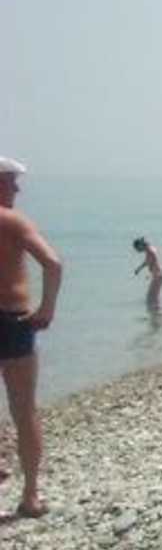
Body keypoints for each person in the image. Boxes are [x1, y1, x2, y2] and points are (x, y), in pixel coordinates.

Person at [0, 157, 62, 519]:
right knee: (24, 410)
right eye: (12, 182)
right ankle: (31, 495)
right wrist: (46, 310)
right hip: (12, 320)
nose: (18, 189)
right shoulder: (13, 221)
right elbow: (52, 264)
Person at [131, 237, 162, 308]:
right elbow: (147, 261)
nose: (137, 251)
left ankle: (156, 311)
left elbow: (155, 262)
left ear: (140, 245)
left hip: (158, 274)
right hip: (158, 274)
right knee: (152, 296)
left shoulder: (150, 251)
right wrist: (139, 269)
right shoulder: (149, 250)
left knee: (152, 297)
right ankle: (156, 311)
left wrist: (150, 274)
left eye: (137, 248)